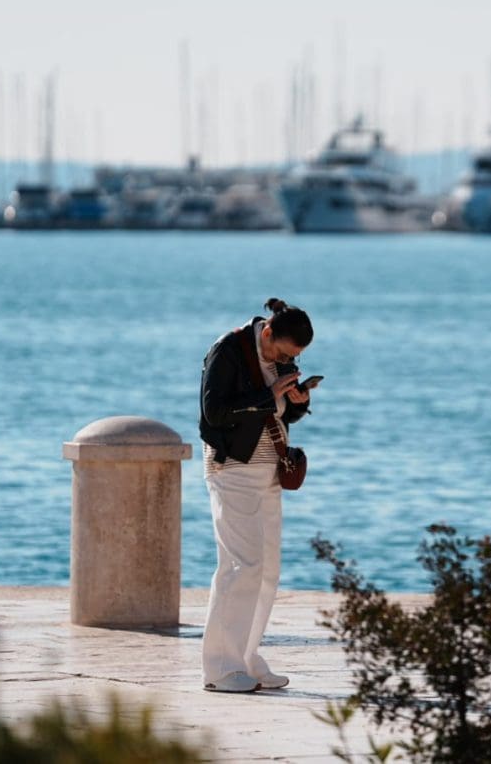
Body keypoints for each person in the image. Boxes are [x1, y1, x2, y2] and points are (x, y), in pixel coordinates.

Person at [199, 297, 315, 693]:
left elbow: (278, 412)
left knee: (266, 570)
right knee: (240, 565)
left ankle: (246, 657)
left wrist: (297, 401)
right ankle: (220, 668)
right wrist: (268, 395)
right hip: (232, 468)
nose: (286, 361)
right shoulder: (228, 350)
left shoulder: (278, 358)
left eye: (293, 357)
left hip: (269, 469)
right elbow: (214, 413)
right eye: (283, 353)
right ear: (267, 333)